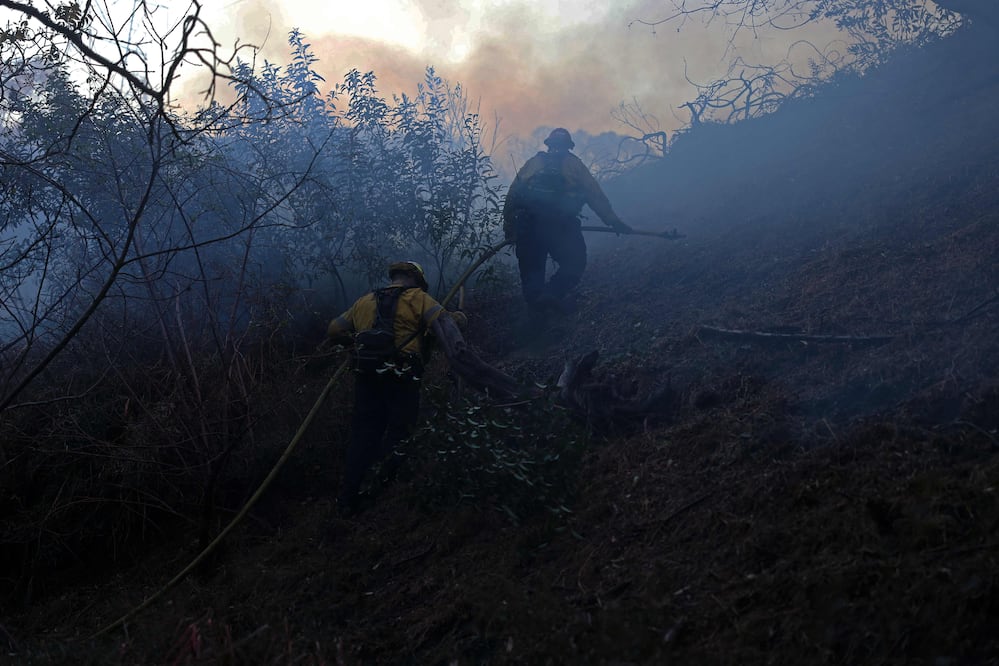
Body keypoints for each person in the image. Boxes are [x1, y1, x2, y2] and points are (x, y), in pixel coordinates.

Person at [326, 260, 522, 514]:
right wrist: (460, 318)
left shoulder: (364, 301)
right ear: (416, 279)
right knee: (400, 432)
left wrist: (354, 342)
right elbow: (446, 324)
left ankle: (347, 499)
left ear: (394, 277)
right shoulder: (419, 299)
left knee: (364, 435)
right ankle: (382, 487)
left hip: (367, 377)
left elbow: (333, 329)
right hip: (403, 376)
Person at [502, 127, 632, 319]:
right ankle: (552, 294)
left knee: (532, 275)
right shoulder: (574, 164)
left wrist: (510, 228)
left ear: (549, 145)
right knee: (575, 262)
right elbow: (594, 195)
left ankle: (535, 325)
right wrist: (614, 221)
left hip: (528, 227)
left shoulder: (534, 163)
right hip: (560, 227)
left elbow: (513, 195)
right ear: (568, 146)